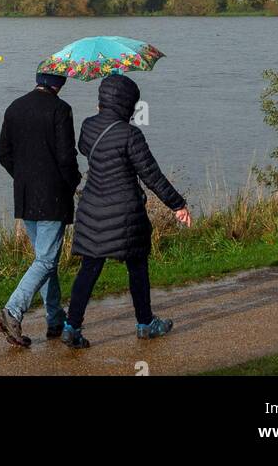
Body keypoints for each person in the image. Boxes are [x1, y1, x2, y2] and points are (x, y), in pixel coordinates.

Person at [62, 72, 191, 348]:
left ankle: (71, 326)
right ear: (129, 105)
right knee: (137, 266)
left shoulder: (88, 127)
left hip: (91, 209)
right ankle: (145, 323)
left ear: (102, 100)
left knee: (89, 268)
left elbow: (85, 148)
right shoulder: (131, 135)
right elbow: (151, 175)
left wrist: (101, 118)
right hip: (125, 214)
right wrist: (177, 204)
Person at [0, 71, 81, 347]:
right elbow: (67, 157)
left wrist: (23, 178)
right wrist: (74, 182)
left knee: (45, 261)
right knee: (45, 261)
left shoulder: (15, 107)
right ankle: (12, 311)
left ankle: (55, 319)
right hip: (53, 196)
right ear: (60, 84)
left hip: (26, 195)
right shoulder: (61, 110)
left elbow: (3, 153)